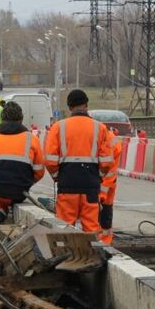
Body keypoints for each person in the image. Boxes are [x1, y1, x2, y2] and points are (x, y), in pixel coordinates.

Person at [44, 89, 113, 236]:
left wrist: (57, 176)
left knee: (64, 228)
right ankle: (94, 254)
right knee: (91, 227)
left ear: (69, 107)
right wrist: (97, 176)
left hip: (67, 184)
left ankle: (66, 256)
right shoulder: (100, 128)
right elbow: (107, 161)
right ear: (86, 105)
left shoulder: (58, 127)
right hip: (90, 185)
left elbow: (50, 160)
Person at [99, 127, 123, 245]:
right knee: (104, 215)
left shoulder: (105, 140)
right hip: (104, 185)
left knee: (103, 215)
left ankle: (104, 242)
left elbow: (110, 171)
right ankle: (104, 241)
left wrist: (101, 194)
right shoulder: (112, 139)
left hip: (104, 185)